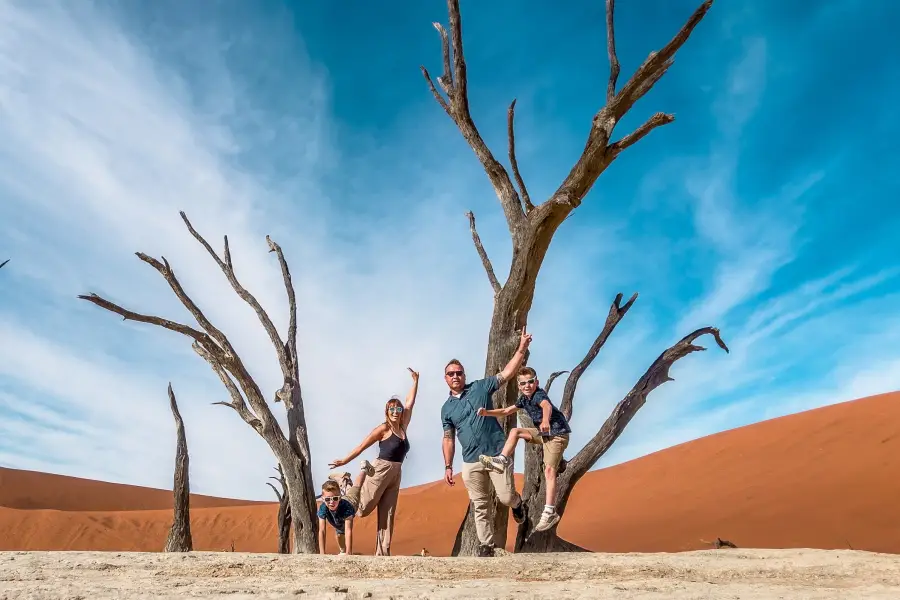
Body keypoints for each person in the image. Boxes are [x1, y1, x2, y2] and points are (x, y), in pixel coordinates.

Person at [440, 326, 532, 557]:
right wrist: (448, 466)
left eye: (459, 373)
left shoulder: (480, 387)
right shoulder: (446, 409)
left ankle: (519, 504)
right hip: (470, 461)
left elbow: (507, 373)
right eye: (451, 374)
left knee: (505, 496)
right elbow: (448, 438)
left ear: (464, 374)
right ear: (445, 378)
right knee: (479, 505)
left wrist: (521, 348)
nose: (455, 376)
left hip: (496, 454)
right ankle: (486, 545)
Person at [326, 367, 419, 556]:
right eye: (392, 408)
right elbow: (361, 446)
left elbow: (410, 403)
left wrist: (415, 382)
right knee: (361, 509)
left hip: (396, 473)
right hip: (380, 470)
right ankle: (345, 483)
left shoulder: (403, 426)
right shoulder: (383, 429)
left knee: (388, 512)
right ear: (387, 411)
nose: (396, 411)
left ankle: (383, 552)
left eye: (398, 408)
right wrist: (344, 461)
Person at [476, 366, 571, 532]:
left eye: (530, 382)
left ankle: (550, 512)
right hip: (544, 434)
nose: (527, 386)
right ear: (519, 386)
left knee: (549, 470)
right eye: (523, 383)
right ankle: (501, 460)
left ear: (537, 382)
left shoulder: (539, 394)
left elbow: (546, 406)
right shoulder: (523, 399)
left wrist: (546, 421)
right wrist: (486, 413)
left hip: (557, 435)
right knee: (515, 431)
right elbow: (506, 411)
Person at [317, 479, 356, 555]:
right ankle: (342, 551)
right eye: (328, 499)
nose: (331, 502)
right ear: (323, 499)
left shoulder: (347, 507)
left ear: (339, 497)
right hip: (339, 520)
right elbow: (322, 530)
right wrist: (322, 553)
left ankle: (362, 471)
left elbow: (348, 530)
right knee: (339, 534)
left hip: (352, 501)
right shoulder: (323, 508)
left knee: (356, 488)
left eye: (335, 498)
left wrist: (349, 553)